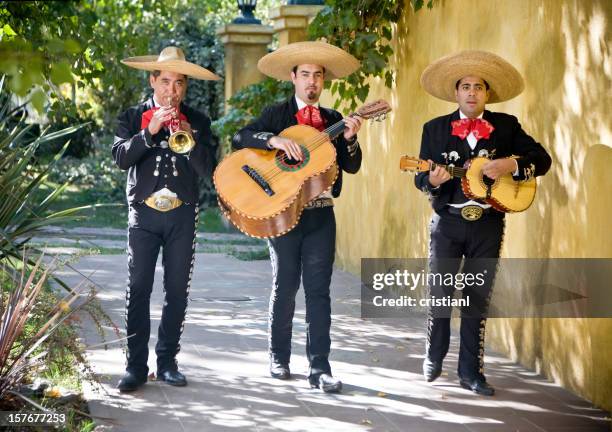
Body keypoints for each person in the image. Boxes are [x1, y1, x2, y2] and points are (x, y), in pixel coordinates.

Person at [415, 50, 552, 396]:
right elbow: (420, 179)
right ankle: (434, 356)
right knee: (441, 294)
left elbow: (543, 160)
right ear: (456, 92)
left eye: (478, 86)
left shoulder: (506, 127)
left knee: (477, 298)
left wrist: (511, 165)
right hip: (447, 221)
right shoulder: (434, 129)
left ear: (487, 94)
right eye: (465, 86)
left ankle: (471, 372)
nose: (472, 92)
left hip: (488, 223)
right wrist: (432, 180)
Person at [232, 41, 363, 393]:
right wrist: (273, 141)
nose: (311, 82)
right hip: (283, 214)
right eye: (305, 74)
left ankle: (320, 368)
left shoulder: (334, 120)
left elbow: (351, 166)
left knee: (319, 292)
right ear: (293, 77)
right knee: (285, 285)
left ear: (323, 81)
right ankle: (279, 356)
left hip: (321, 215)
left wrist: (349, 140)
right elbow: (240, 137)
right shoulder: (277, 114)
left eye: (317, 75)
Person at [112, 46, 219, 392]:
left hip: (182, 215)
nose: (172, 92)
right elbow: (121, 158)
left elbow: (209, 170)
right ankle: (135, 367)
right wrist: (149, 132)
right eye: (166, 82)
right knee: (139, 288)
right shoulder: (131, 117)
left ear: (185, 87)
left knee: (177, 291)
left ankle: (168, 362)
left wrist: (188, 138)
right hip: (143, 215)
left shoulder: (198, 121)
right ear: (153, 80)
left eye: (179, 84)